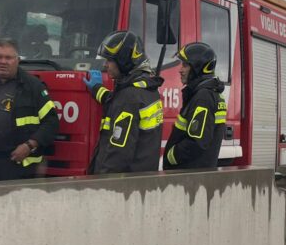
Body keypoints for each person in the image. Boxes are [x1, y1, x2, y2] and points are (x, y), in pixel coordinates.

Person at [0, 38, 59, 182]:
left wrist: (29, 146)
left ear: (17, 59)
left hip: (15, 164)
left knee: (10, 204)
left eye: (8, 58)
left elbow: (51, 123)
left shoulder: (33, 87)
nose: (3, 61)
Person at [84, 30, 164, 174]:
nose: (105, 65)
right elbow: (116, 102)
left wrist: (100, 183)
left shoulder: (129, 97)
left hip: (119, 187)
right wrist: (97, 89)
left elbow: (118, 153)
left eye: (109, 60)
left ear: (123, 61)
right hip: (139, 181)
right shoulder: (147, 89)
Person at [163, 42, 227, 170]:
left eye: (185, 65)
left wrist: (171, 156)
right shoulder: (208, 93)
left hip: (189, 175)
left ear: (197, 67)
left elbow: (196, 142)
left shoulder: (202, 97)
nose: (180, 70)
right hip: (196, 174)